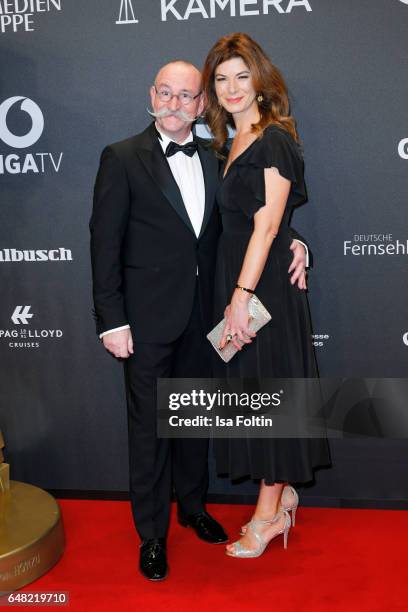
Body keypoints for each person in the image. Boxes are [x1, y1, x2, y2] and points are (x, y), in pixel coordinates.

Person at [90, 60, 309, 580]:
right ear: (152, 94)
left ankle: (192, 508)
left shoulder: (219, 155)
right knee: (150, 431)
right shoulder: (121, 157)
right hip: (144, 322)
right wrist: (111, 320)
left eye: (186, 95)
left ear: (199, 104)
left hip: (208, 318)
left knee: (193, 423)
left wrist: (298, 243)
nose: (174, 103)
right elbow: (103, 246)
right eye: (165, 93)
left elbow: (252, 218)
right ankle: (151, 534)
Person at [202, 33, 331, 558]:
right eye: (221, 78)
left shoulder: (275, 138)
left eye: (240, 76)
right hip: (242, 279)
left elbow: (269, 222)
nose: (232, 87)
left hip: (260, 290)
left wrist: (240, 296)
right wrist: (297, 243)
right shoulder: (227, 143)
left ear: (259, 80)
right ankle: (280, 498)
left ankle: (269, 515)